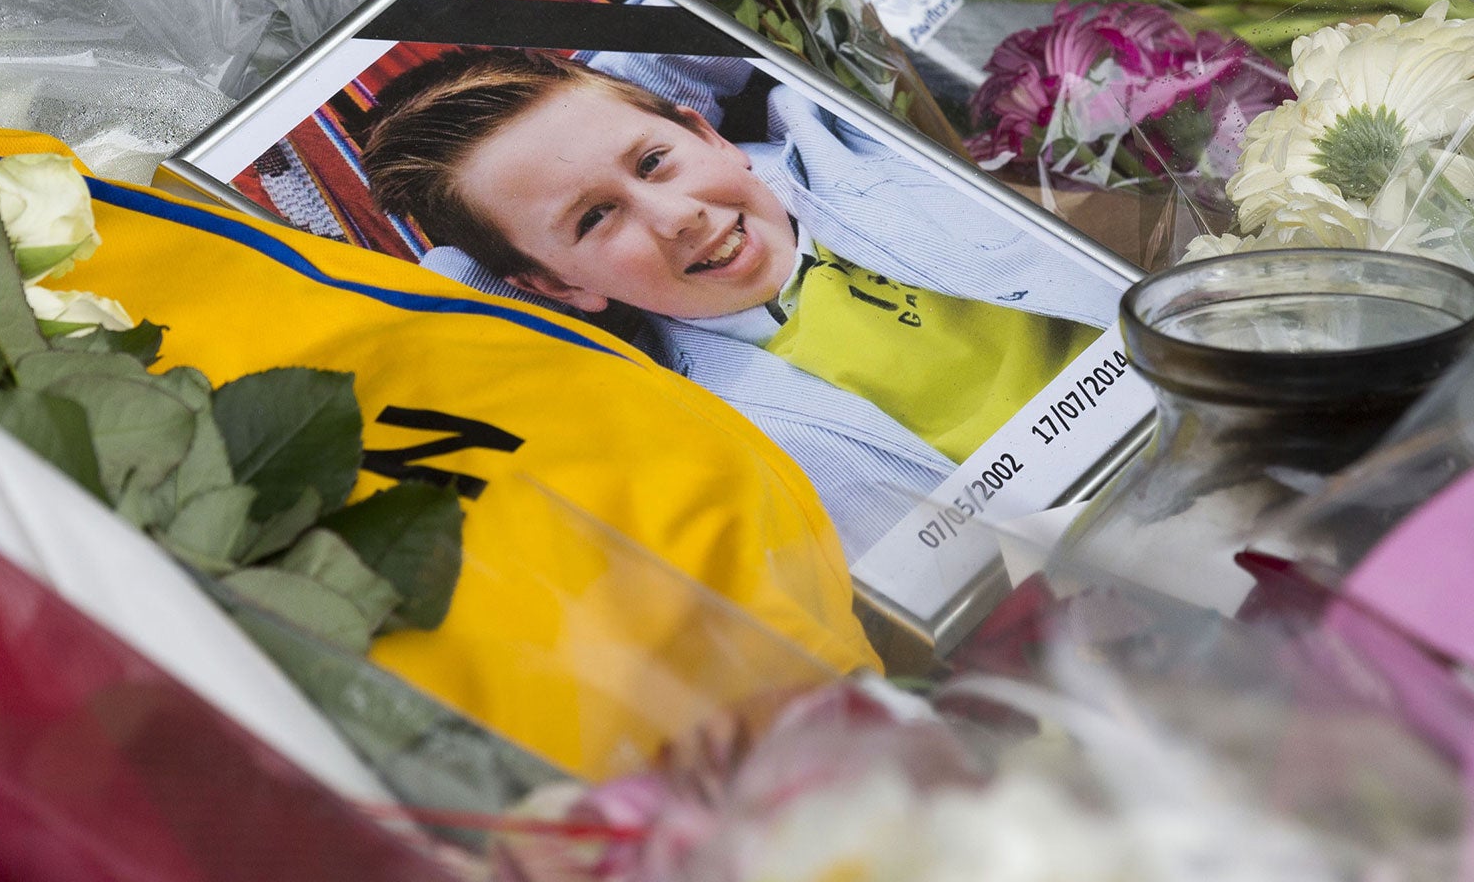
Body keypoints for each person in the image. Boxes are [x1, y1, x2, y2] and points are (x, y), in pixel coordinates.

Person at [365, 47, 1123, 558]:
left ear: (704, 130)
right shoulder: (682, 415)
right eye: (596, 219)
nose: (676, 216)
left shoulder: (849, 140)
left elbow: (705, 10)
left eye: (654, 162)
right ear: (557, 285)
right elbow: (436, 329)